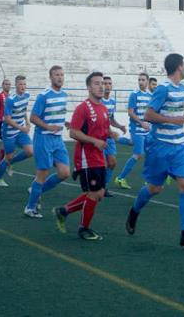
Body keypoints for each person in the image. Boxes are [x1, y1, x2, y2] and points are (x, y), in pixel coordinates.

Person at [125, 53, 184, 247]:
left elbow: (177, 113)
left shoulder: (182, 89)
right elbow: (149, 114)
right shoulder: (162, 89)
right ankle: (134, 211)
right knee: (155, 188)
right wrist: (172, 120)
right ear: (179, 67)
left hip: (180, 146)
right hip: (160, 146)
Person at [52, 72, 111, 241]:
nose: (101, 86)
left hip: (99, 157)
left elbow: (104, 132)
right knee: (94, 194)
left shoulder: (104, 109)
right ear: (89, 87)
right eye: (97, 83)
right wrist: (94, 141)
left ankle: (64, 211)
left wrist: (111, 135)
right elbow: (73, 132)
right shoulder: (83, 108)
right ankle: (83, 229)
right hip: (86, 157)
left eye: (103, 83)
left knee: (98, 193)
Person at [24, 66, 70, 218]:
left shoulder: (64, 95)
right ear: (50, 77)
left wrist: (67, 123)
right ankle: (30, 208)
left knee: (64, 173)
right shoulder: (44, 96)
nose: (60, 77)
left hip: (58, 140)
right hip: (43, 138)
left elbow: (57, 115)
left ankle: (36, 190)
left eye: (62, 75)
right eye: (57, 75)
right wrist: (48, 126)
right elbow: (33, 117)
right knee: (42, 173)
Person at [114, 73, 152, 189]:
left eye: (143, 80)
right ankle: (120, 178)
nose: (141, 82)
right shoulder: (134, 95)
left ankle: (148, 180)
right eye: (139, 80)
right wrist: (141, 123)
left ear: (147, 81)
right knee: (138, 154)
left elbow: (150, 113)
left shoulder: (150, 96)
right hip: (137, 129)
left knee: (150, 154)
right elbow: (130, 112)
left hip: (147, 130)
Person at [0, 75, 33, 187]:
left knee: (30, 151)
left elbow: (23, 109)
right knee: (8, 156)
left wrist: (27, 122)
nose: (23, 86)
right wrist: (22, 128)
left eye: (24, 84)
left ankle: (11, 163)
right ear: (16, 85)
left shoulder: (27, 95)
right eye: (20, 84)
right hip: (9, 132)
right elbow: (7, 119)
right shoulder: (10, 100)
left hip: (20, 129)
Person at [101, 76, 126, 198]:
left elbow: (110, 119)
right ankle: (97, 186)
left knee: (112, 163)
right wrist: (110, 132)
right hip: (99, 137)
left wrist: (120, 126)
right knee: (101, 164)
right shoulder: (98, 102)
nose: (107, 85)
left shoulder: (111, 102)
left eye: (109, 83)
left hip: (109, 137)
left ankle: (103, 187)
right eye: (104, 83)